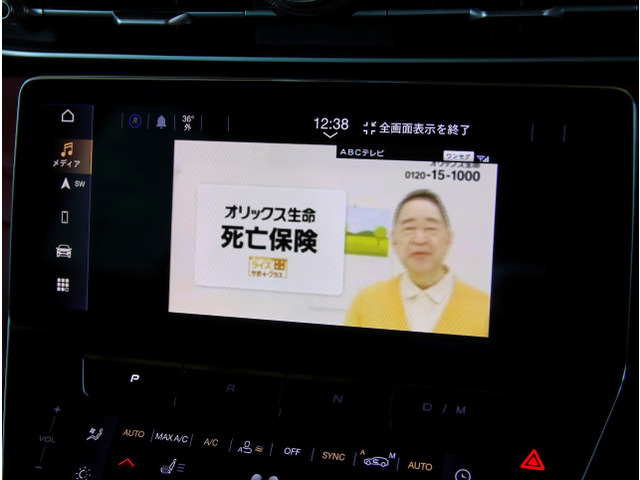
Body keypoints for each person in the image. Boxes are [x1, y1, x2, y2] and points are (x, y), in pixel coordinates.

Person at [345, 189, 489, 337]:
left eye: (431, 228)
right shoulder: (366, 302)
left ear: (449, 237)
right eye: (409, 228)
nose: (420, 239)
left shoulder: (485, 309)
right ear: (394, 239)